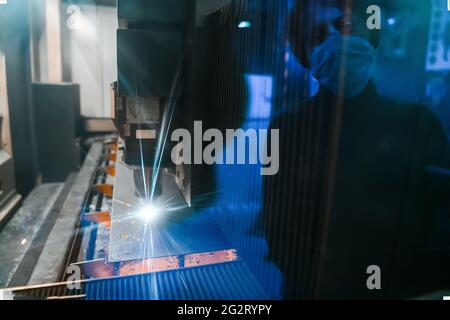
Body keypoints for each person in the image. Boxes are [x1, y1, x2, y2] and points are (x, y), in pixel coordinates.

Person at [262, 0, 450, 299]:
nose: (336, 41)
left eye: (346, 26)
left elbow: (441, 226)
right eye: (316, 35)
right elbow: (276, 223)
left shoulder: (419, 123)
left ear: (371, 35)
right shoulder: (284, 129)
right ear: (304, 53)